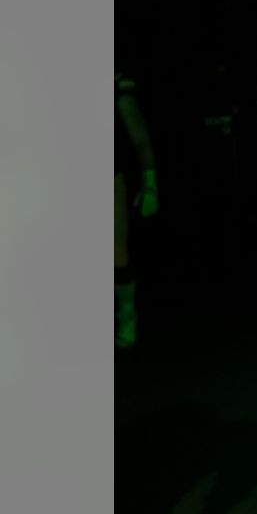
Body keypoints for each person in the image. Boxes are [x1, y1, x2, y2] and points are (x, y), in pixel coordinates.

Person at [115, 70, 159, 349]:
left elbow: (141, 141)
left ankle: (127, 315)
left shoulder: (119, 98)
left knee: (115, 252)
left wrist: (150, 185)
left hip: (109, 179)